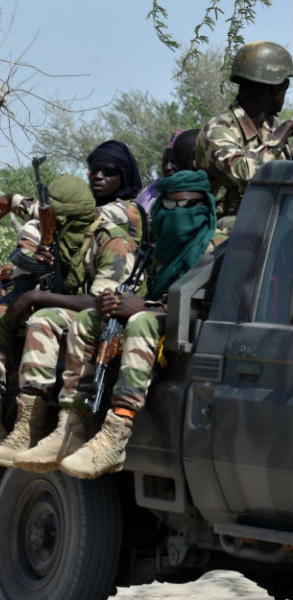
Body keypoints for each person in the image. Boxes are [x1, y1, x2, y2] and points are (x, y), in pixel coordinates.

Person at [0, 140, 143, 468]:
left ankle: (31, 426)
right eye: (93, 170)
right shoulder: (73, 227)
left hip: (100, 308)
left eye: (109, 171)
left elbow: (102, 296)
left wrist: (19, 203)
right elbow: (57, 219)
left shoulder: (117, 221)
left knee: (43, 316)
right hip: (73, 299)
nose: (98, 176)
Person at [15, 169, 224, 477]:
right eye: (167, 206)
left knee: (141, 321)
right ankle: (71, 424)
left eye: (187, 206)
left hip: (196, 329)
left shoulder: (219, 248)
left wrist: (145, 307)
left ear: (204, 207)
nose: (176, 214)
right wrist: (114, 302)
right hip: (153, 315)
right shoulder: (156, 247)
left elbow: (215, 304)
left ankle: (116, 434)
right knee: (89, 319)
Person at [195, 40, 293, 227]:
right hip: (216, 234)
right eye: (285, 85)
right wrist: (279, 139)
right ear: (272, 87)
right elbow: (247, 174)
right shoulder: (217, 130)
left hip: (260, 228)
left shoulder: (271, 127)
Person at [134, 130, 185, 213]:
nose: (167, 167)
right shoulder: (151, 191)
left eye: (173, 162)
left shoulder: (195, 195)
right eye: (165, 161)